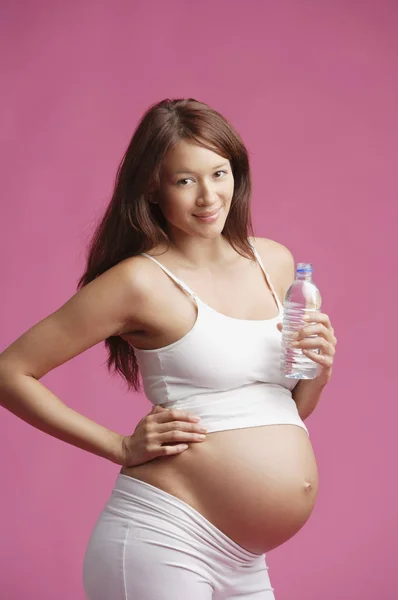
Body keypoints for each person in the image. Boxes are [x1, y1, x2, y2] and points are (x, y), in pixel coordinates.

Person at [0, 98, 337, 599]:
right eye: (185, 180)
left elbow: (288, 412)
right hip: (165, 540)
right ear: (153, 189)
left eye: (219, 173)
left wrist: (319, 371)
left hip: (245, 561)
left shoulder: (276, 263)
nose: (208, 197)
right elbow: (11, 372)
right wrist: (118, 446)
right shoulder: (139, 281)